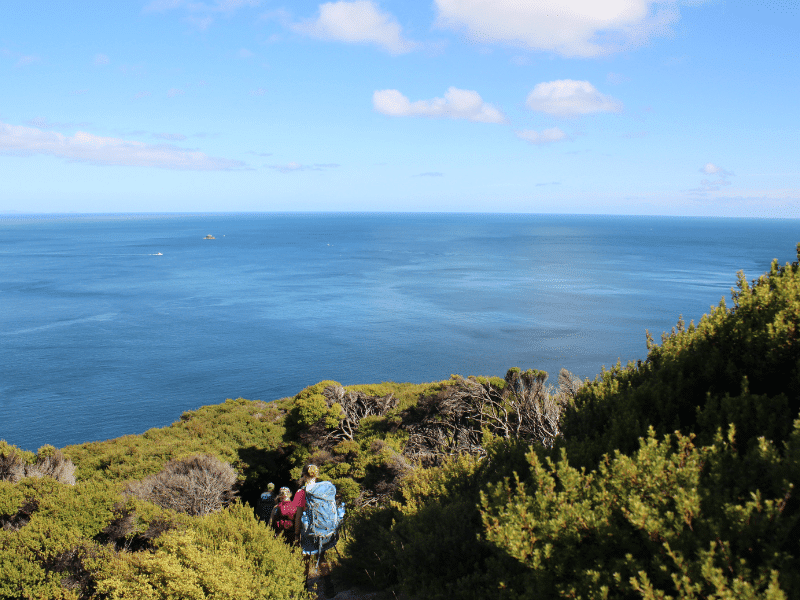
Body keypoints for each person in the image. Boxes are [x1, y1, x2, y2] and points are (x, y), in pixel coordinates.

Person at [294, 464, 336, 598]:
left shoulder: (301, 492)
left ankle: (304, 589)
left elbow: (298, 516)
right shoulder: (324, 489)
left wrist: (296, 534)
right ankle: (329, 588)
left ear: (304, 476)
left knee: (306, 558)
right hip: (323, 530)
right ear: (316, 475)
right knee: (321, 557)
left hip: (308, 532)